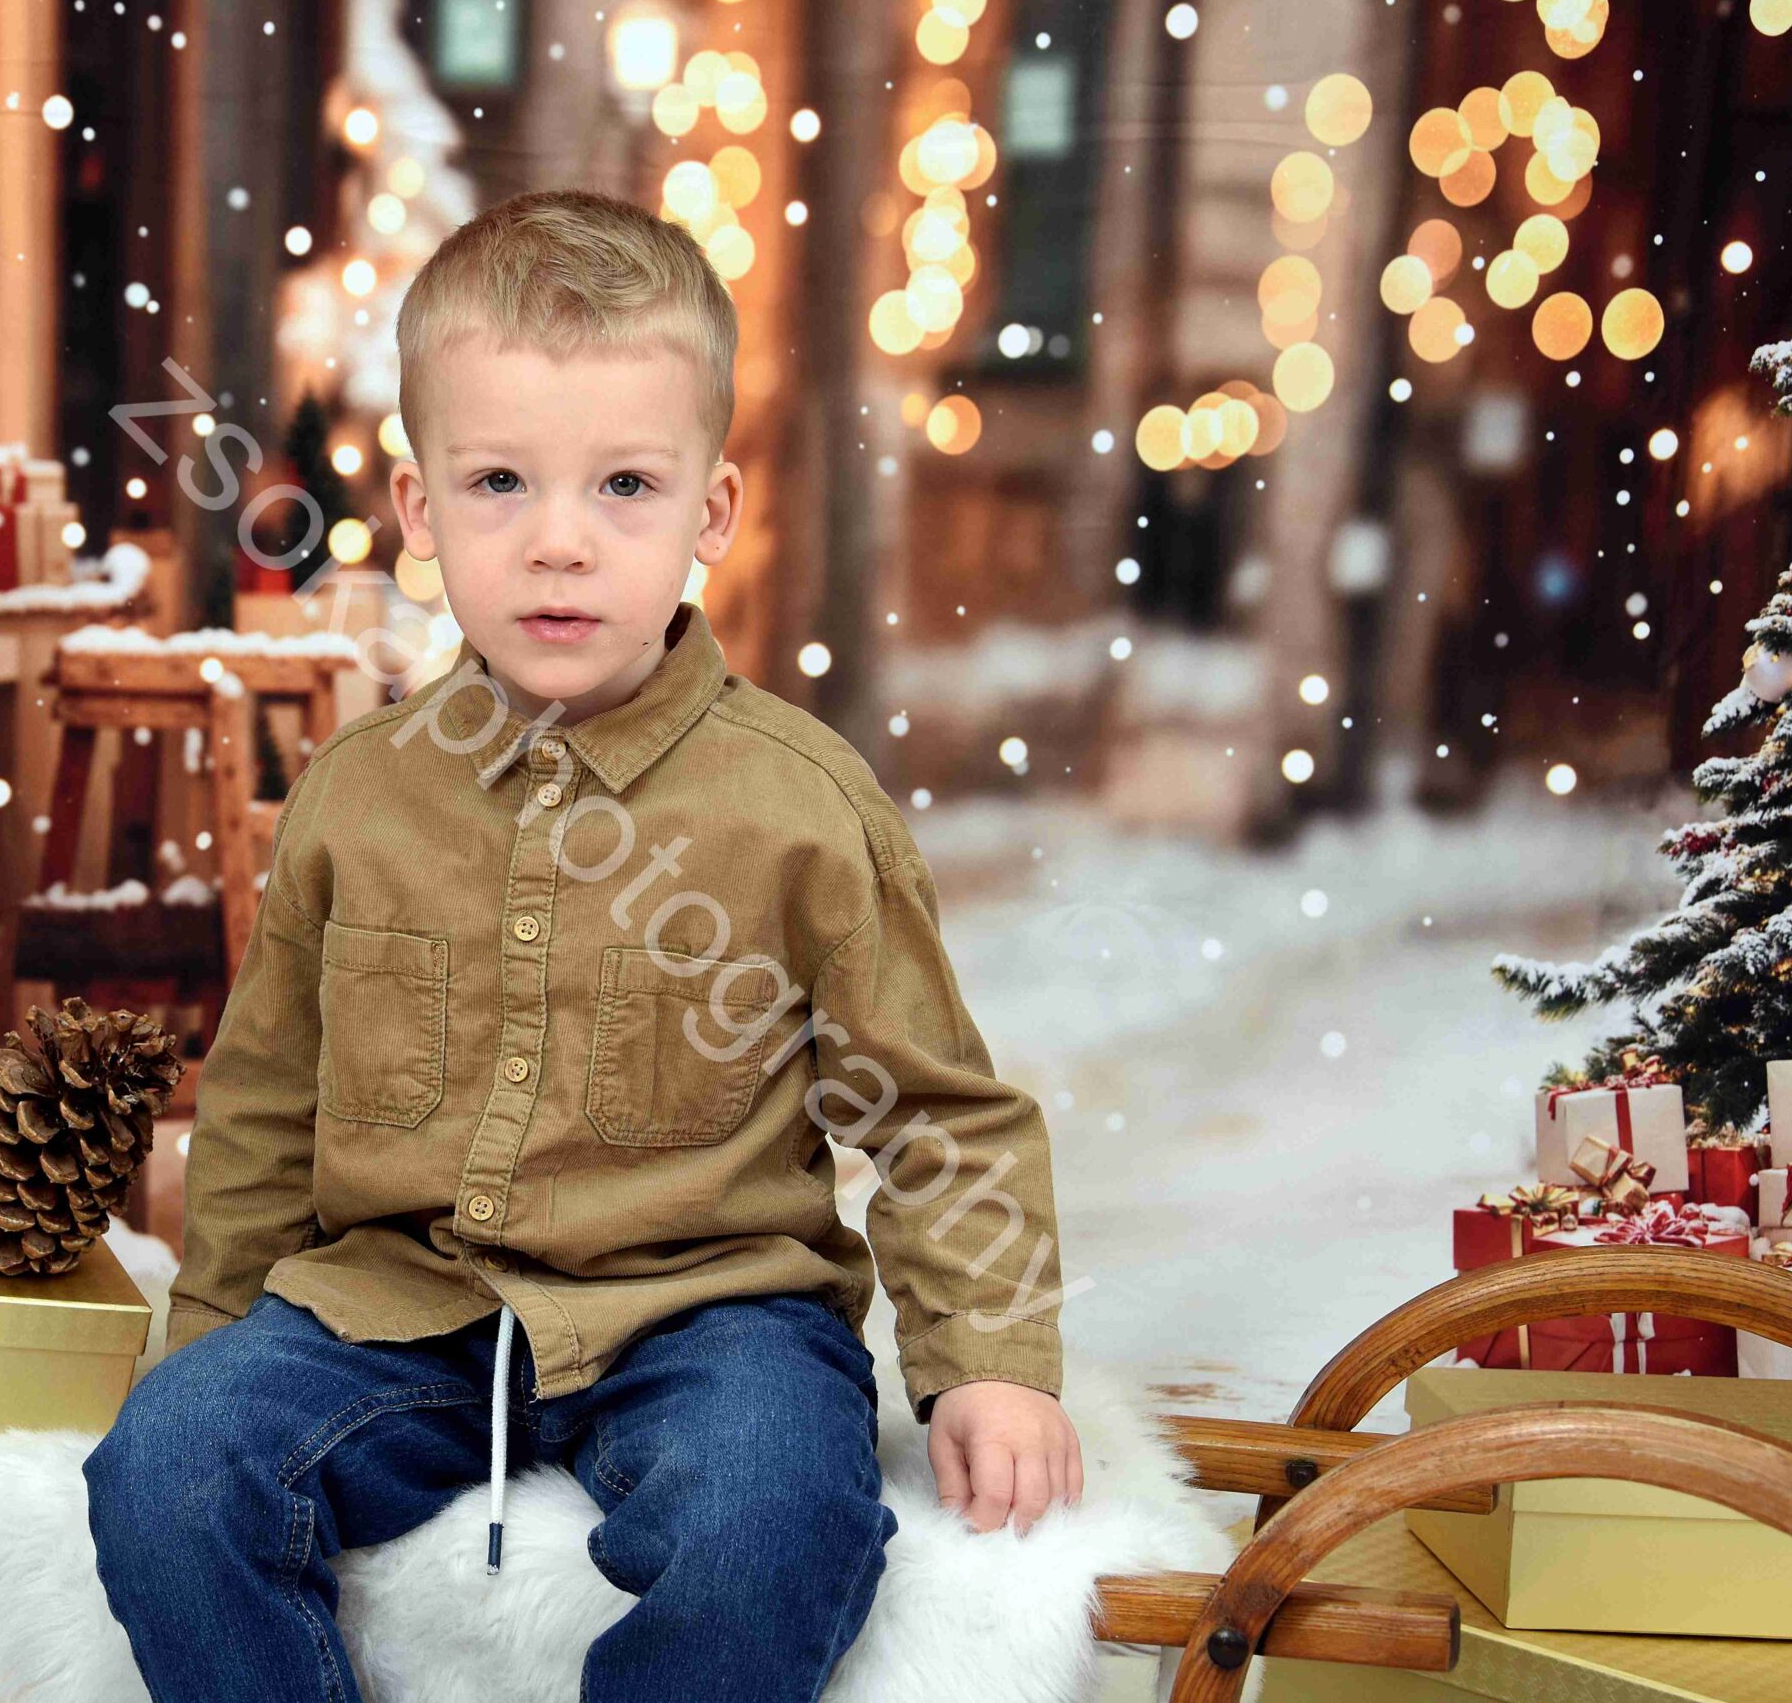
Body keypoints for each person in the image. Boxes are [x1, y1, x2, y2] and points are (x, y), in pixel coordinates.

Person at [84, 187, 1081, 1703]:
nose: (559, 544)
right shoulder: (356, 796)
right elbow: (267, 1106)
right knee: (165, 1465)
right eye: (499, 483)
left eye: (625, 485)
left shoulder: (802, 806)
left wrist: (989, 1360)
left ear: (711, 513)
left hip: (714, 1318)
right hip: (396, 1309)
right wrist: (212, 1336)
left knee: (775, 1523)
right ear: (419, 512)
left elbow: (940, 1116)